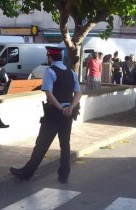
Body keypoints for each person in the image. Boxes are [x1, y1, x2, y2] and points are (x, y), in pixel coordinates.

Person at [10, 46, 82, 184]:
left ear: (50, 58)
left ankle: (26, 173)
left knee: (41, 144)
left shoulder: (49, 71)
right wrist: (70, 108)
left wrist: (61, 109)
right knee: (65, 144)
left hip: (54, 113)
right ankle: (64, 176)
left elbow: (49, 93)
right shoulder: (71, 72)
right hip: (68, 113)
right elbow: (78, 93)